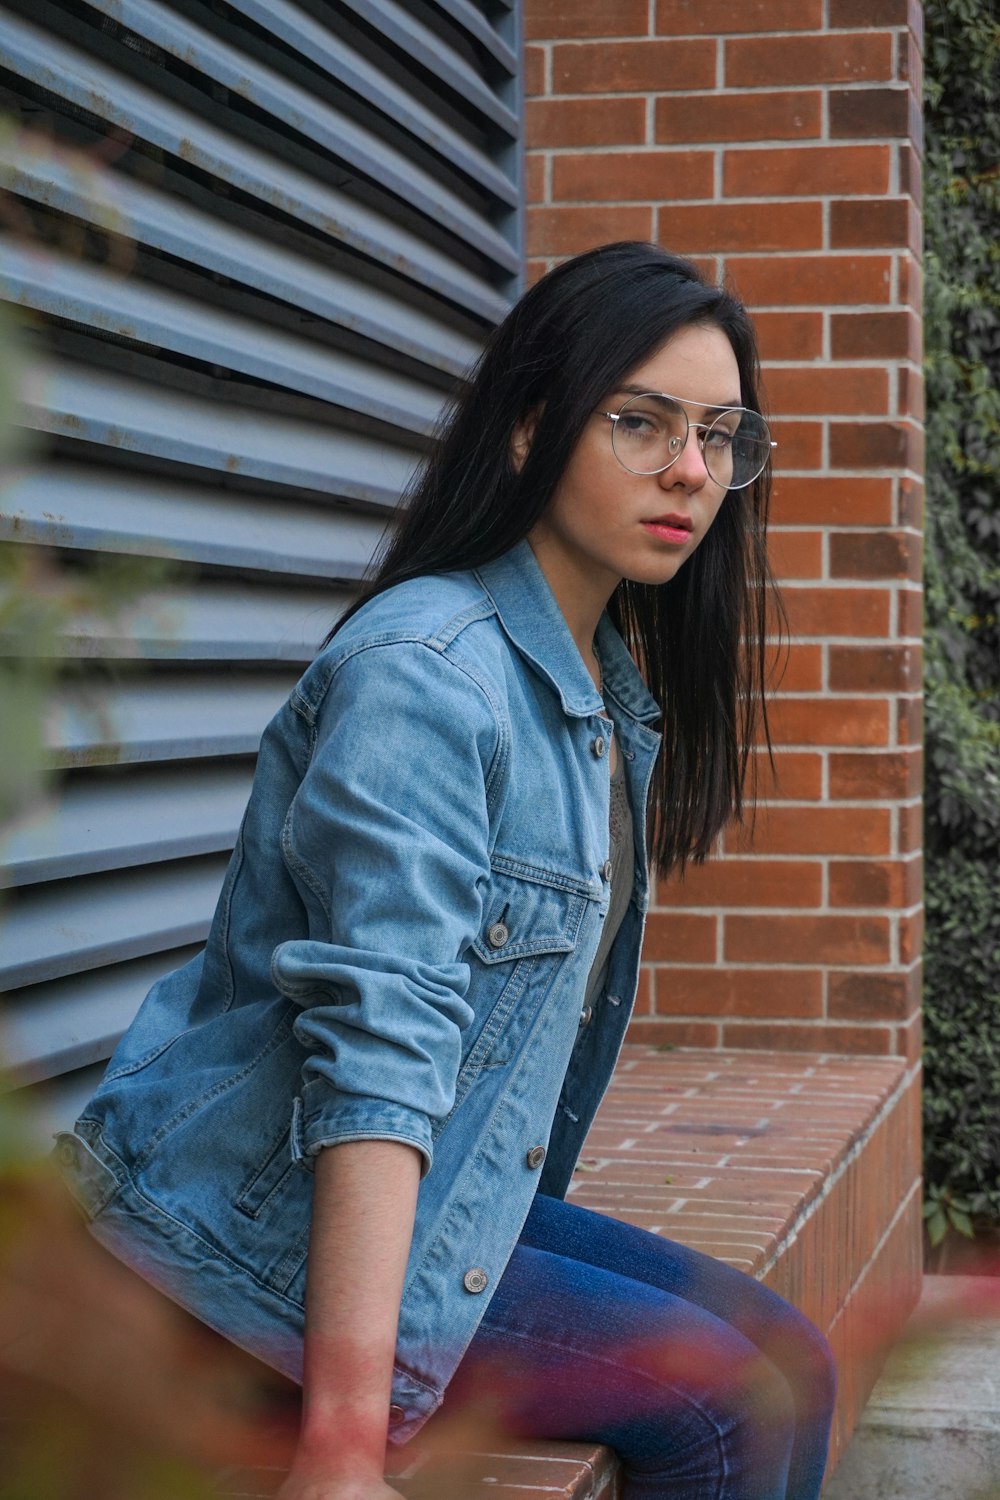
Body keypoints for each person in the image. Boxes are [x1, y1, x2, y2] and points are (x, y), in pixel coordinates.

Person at [55, 241, 837, 1500]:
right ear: (531, 428)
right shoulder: (431, 674)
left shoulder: (594, 686)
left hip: (432, 1197)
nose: (690, 472)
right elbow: (380, 1047)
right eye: (638, 422)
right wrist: (341, 1448)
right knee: (728, 1406)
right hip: (235, 1241)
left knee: (788, 1360)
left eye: (719, 434)